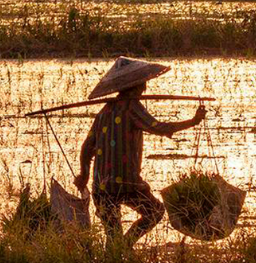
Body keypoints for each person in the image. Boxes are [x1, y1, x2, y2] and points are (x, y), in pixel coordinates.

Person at [74, 57, 206, 248]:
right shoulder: (131, 107)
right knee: (155, 212)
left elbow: (87, 146)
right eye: (143, 84)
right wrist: (192, 122)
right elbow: (159, 127)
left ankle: (116, 260)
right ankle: (126, 246)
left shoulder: (105, 111)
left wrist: (84, 173)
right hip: (126, 184)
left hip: (101, 186)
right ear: (139, 86)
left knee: (112, 235)